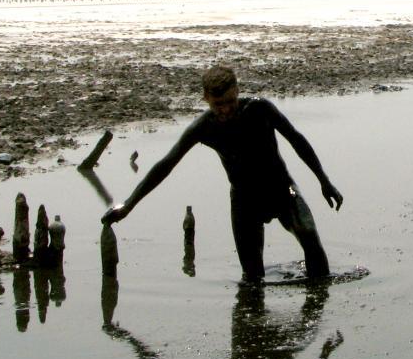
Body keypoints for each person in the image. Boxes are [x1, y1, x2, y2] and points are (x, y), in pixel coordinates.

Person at [101, 65, 343, 281]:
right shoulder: (204, 127)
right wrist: (129, 205)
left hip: (281, 189)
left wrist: (324, 181)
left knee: (310, 239)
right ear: (206, 98)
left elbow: (297, 140)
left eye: (230, 101)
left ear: (237, 90)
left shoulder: (260, 109)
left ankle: (321, 302)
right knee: (252, 274)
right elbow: (166, 165)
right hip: (244, 201)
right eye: (218, 104)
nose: (226, 110)